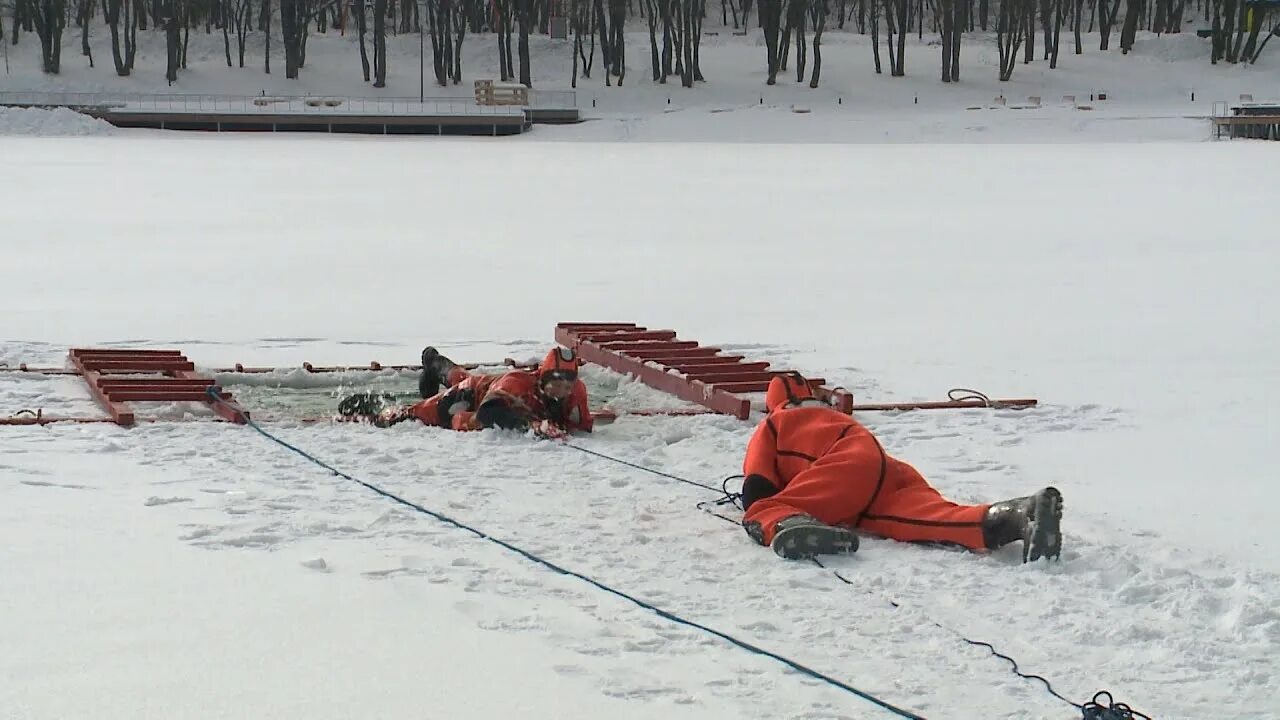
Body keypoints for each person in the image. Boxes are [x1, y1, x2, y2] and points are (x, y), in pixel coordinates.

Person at [739, 374, 1063, 563]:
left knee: (763, 509)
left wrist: (774, 506)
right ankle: (1016, 516)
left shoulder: (776, 422)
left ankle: (789, 526)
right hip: (881, 470)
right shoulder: (832, 415)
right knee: (930, 518)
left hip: (844, 463)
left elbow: (756, 486)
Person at [340, 346, 595, 436]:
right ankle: (372, 406)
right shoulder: (519, 382)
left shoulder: (576, 392)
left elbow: (582, 426)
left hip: (488, 385)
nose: (562, 390)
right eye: (557, 383)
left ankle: (434, 361)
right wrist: (533, 426)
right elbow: (487, 414)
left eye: (567, 385)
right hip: (473, 396)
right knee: (420, 412)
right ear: (543, 378)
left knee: (465, 380)